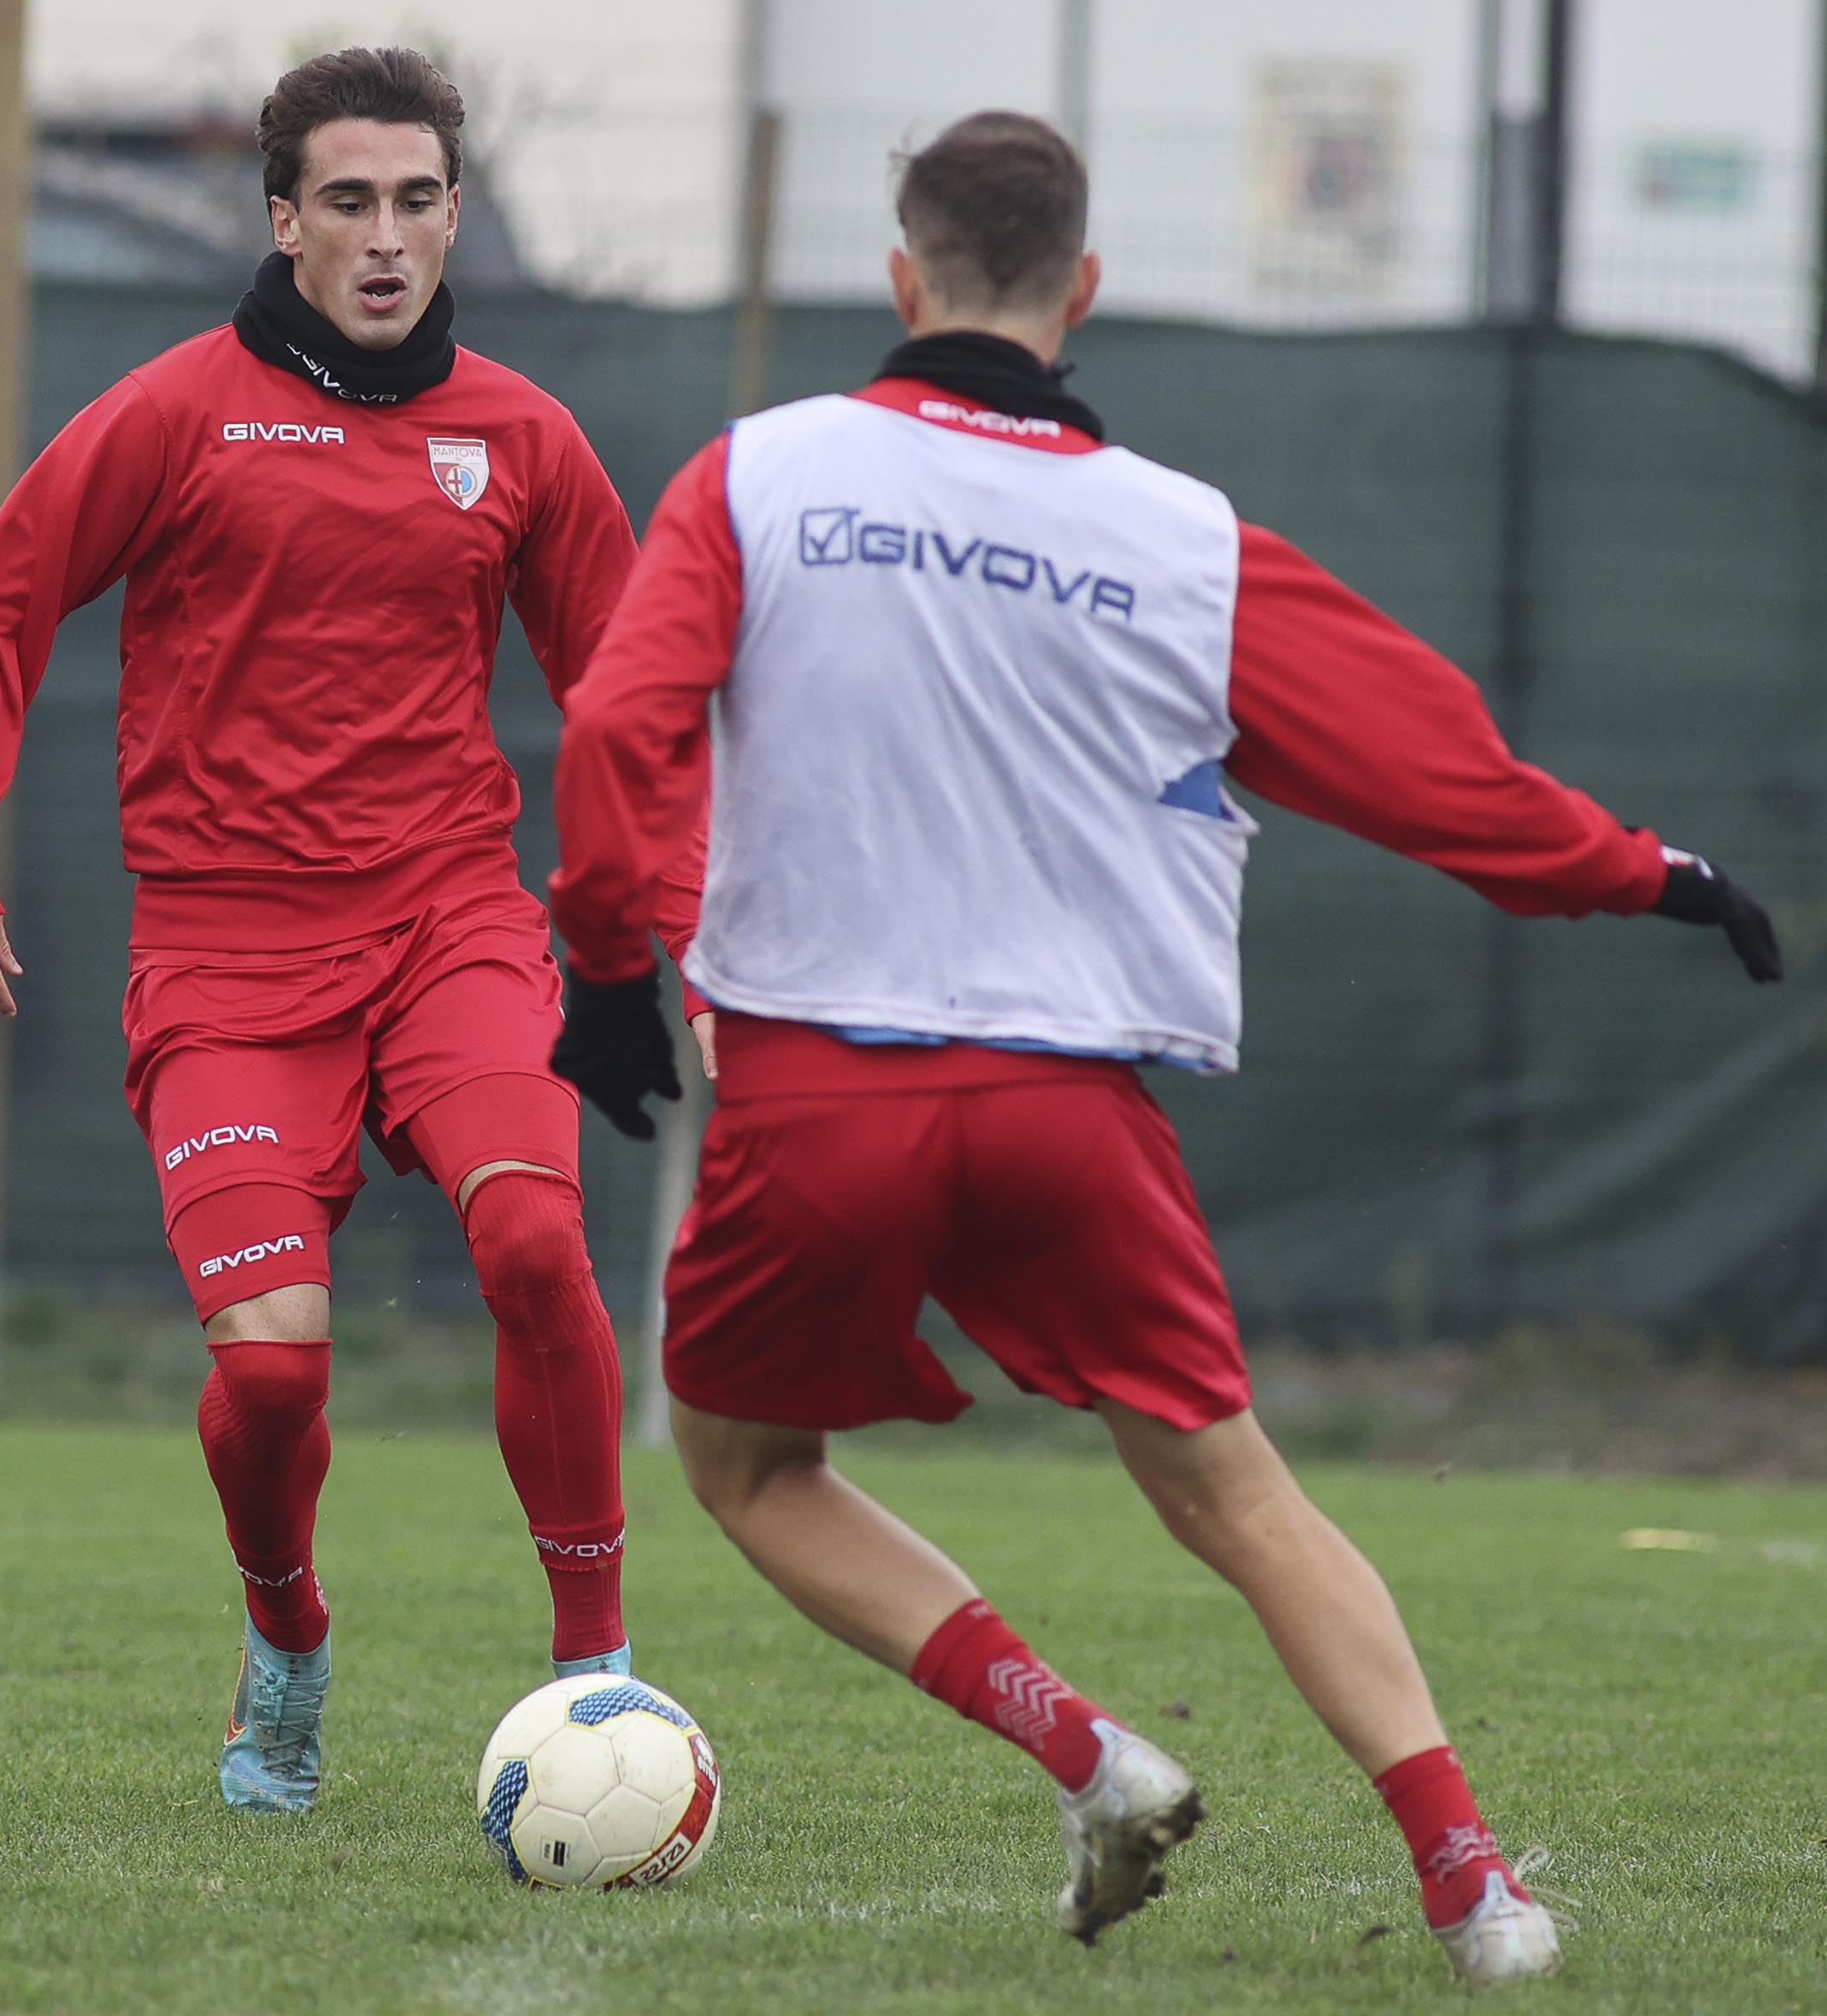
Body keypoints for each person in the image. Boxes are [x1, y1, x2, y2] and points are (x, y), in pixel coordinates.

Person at [544, 111, 1781, 1982]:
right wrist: (1649, 874)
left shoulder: (759, 475)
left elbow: (619, 727)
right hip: (1072, 1108)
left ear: (901, 277)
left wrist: (605, 963)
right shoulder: (1183, 541)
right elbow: (1437, 774)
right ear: (1084, 289)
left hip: (816, 1094)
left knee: (742, 1465)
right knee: (1233, 1489)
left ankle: (1084, 1743)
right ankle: (1476, 1891)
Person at [0, 46, 711, 1815]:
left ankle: (596, 1679)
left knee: (529, 1249)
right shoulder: (178, 413)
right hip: (225, 959)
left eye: (417, 199)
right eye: (347, 199)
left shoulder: (521, 437)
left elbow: (630, 696)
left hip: (449, 926)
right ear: (280, 217)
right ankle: (285, 1642)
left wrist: (677, 928)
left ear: (453, 217)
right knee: (272, 1368)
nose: (385, 235)